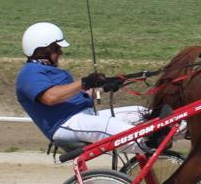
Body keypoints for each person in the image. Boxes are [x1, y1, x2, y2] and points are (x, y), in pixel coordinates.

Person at [15, 21, 147, 145]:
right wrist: (83, 82)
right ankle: (152, 149)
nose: (61, 52)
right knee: (128, 133)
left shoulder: (52, 71)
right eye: (57, 49)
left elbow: (78, 95)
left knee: (142, 113)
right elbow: (51, 97)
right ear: (42, 50)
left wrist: (106, 86)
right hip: (66, 124)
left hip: (84, 117)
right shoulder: (30, 73)